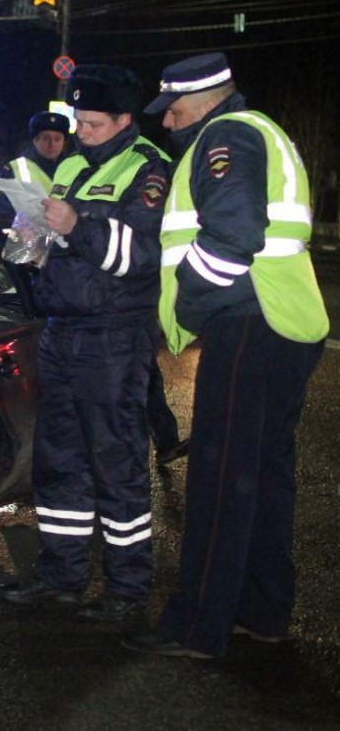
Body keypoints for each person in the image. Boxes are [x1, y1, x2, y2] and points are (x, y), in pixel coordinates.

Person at [123, 53, 328, 658]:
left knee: (219, 479)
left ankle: (195, 626)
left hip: (249, 323)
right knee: (261, 478)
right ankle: (262, 612)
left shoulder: (227, 135)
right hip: (285, 321)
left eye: (175, 110)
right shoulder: (261, 130)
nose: (168, 122)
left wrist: (187, 302)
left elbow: (234, 235)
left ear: (206, 100)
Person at [0, 65, 171, 622]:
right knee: (58, 462)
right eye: (79, 121)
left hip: (114, 335)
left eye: (95, 123)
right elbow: (46, 247)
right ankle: (62, 576)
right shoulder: (71, 165)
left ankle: (127, 590)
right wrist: (28, 236)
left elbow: (140, 257)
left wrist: (75, 226)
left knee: (116, 464)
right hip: (61, 329)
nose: (83, 132)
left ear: (125, 120)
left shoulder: (149, 171)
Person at [0, 110, 73, 216]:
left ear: (64, 142)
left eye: (57, 139)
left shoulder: (75, 169)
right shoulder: (15, 169)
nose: (52, 144)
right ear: (35, 140)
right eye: (45, 138)